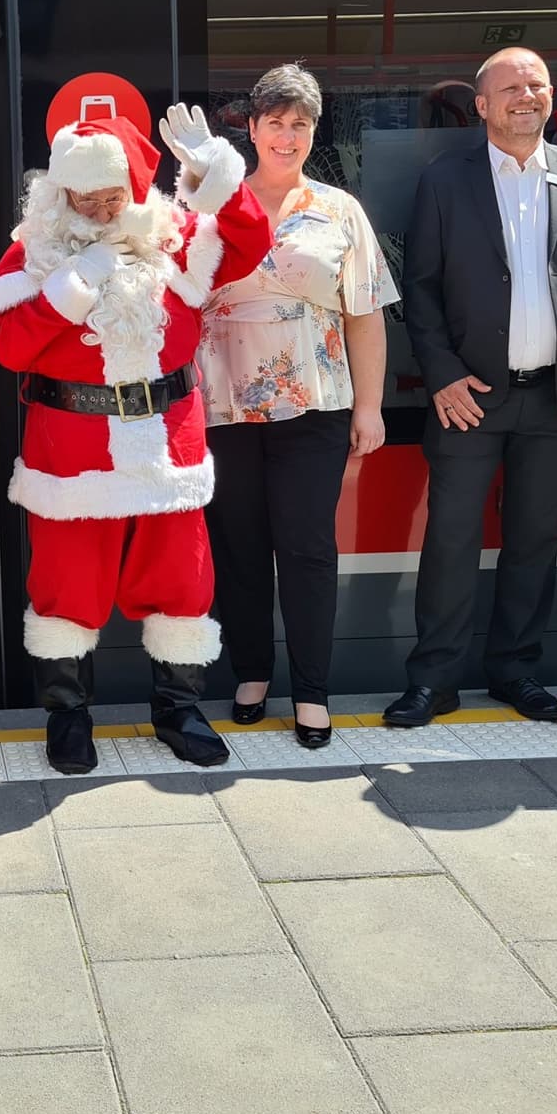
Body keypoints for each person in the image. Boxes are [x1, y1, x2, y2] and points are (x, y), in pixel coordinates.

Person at [0, 108, 269, 773]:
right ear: (62, 192)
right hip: (72, 451)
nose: (103, 208)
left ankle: (179, 709)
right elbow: (10, 346)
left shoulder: (173, 233)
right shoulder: (35, 247)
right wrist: (73, 286)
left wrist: (216, 172)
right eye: (87, 195)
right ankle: (69, 716)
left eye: (114, 193)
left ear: (135, 184)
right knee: (66, 586)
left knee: (180, 579)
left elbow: (249, 242)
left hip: (168, 443)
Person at [385, 48, 557, 728]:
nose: (527, 96)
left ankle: (516, 671)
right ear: (483, 105)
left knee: (535, 541)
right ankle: (433, 679)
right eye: (511, 87)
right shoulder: (446, 179)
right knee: (451, 540)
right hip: (470, 398)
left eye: (537, 85)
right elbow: (423, 288)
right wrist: (440, 375)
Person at [198, 65, 398, 748]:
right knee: (240, 549)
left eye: (300, 124)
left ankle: (311, 692)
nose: (287, 136)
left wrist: (369, 408)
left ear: (313, 132)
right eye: (275, 122)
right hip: (223, 410)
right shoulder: (208, 202)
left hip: (315, 408)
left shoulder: (338, 209)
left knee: (309, 550)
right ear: (250, 129)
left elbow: (365, 316)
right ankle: (252, 673)